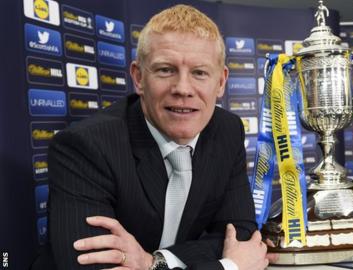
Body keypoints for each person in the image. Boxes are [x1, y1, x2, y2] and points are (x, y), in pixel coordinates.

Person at [42, 4, 276, 270]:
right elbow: (89, 267)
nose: (183, 89)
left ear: (221, 82)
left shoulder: (227, 130)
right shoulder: (86, 146)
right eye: (166, 70)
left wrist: (156, 263)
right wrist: (227, 267)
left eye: (199, 72)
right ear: (139, 77)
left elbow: (238, 233)